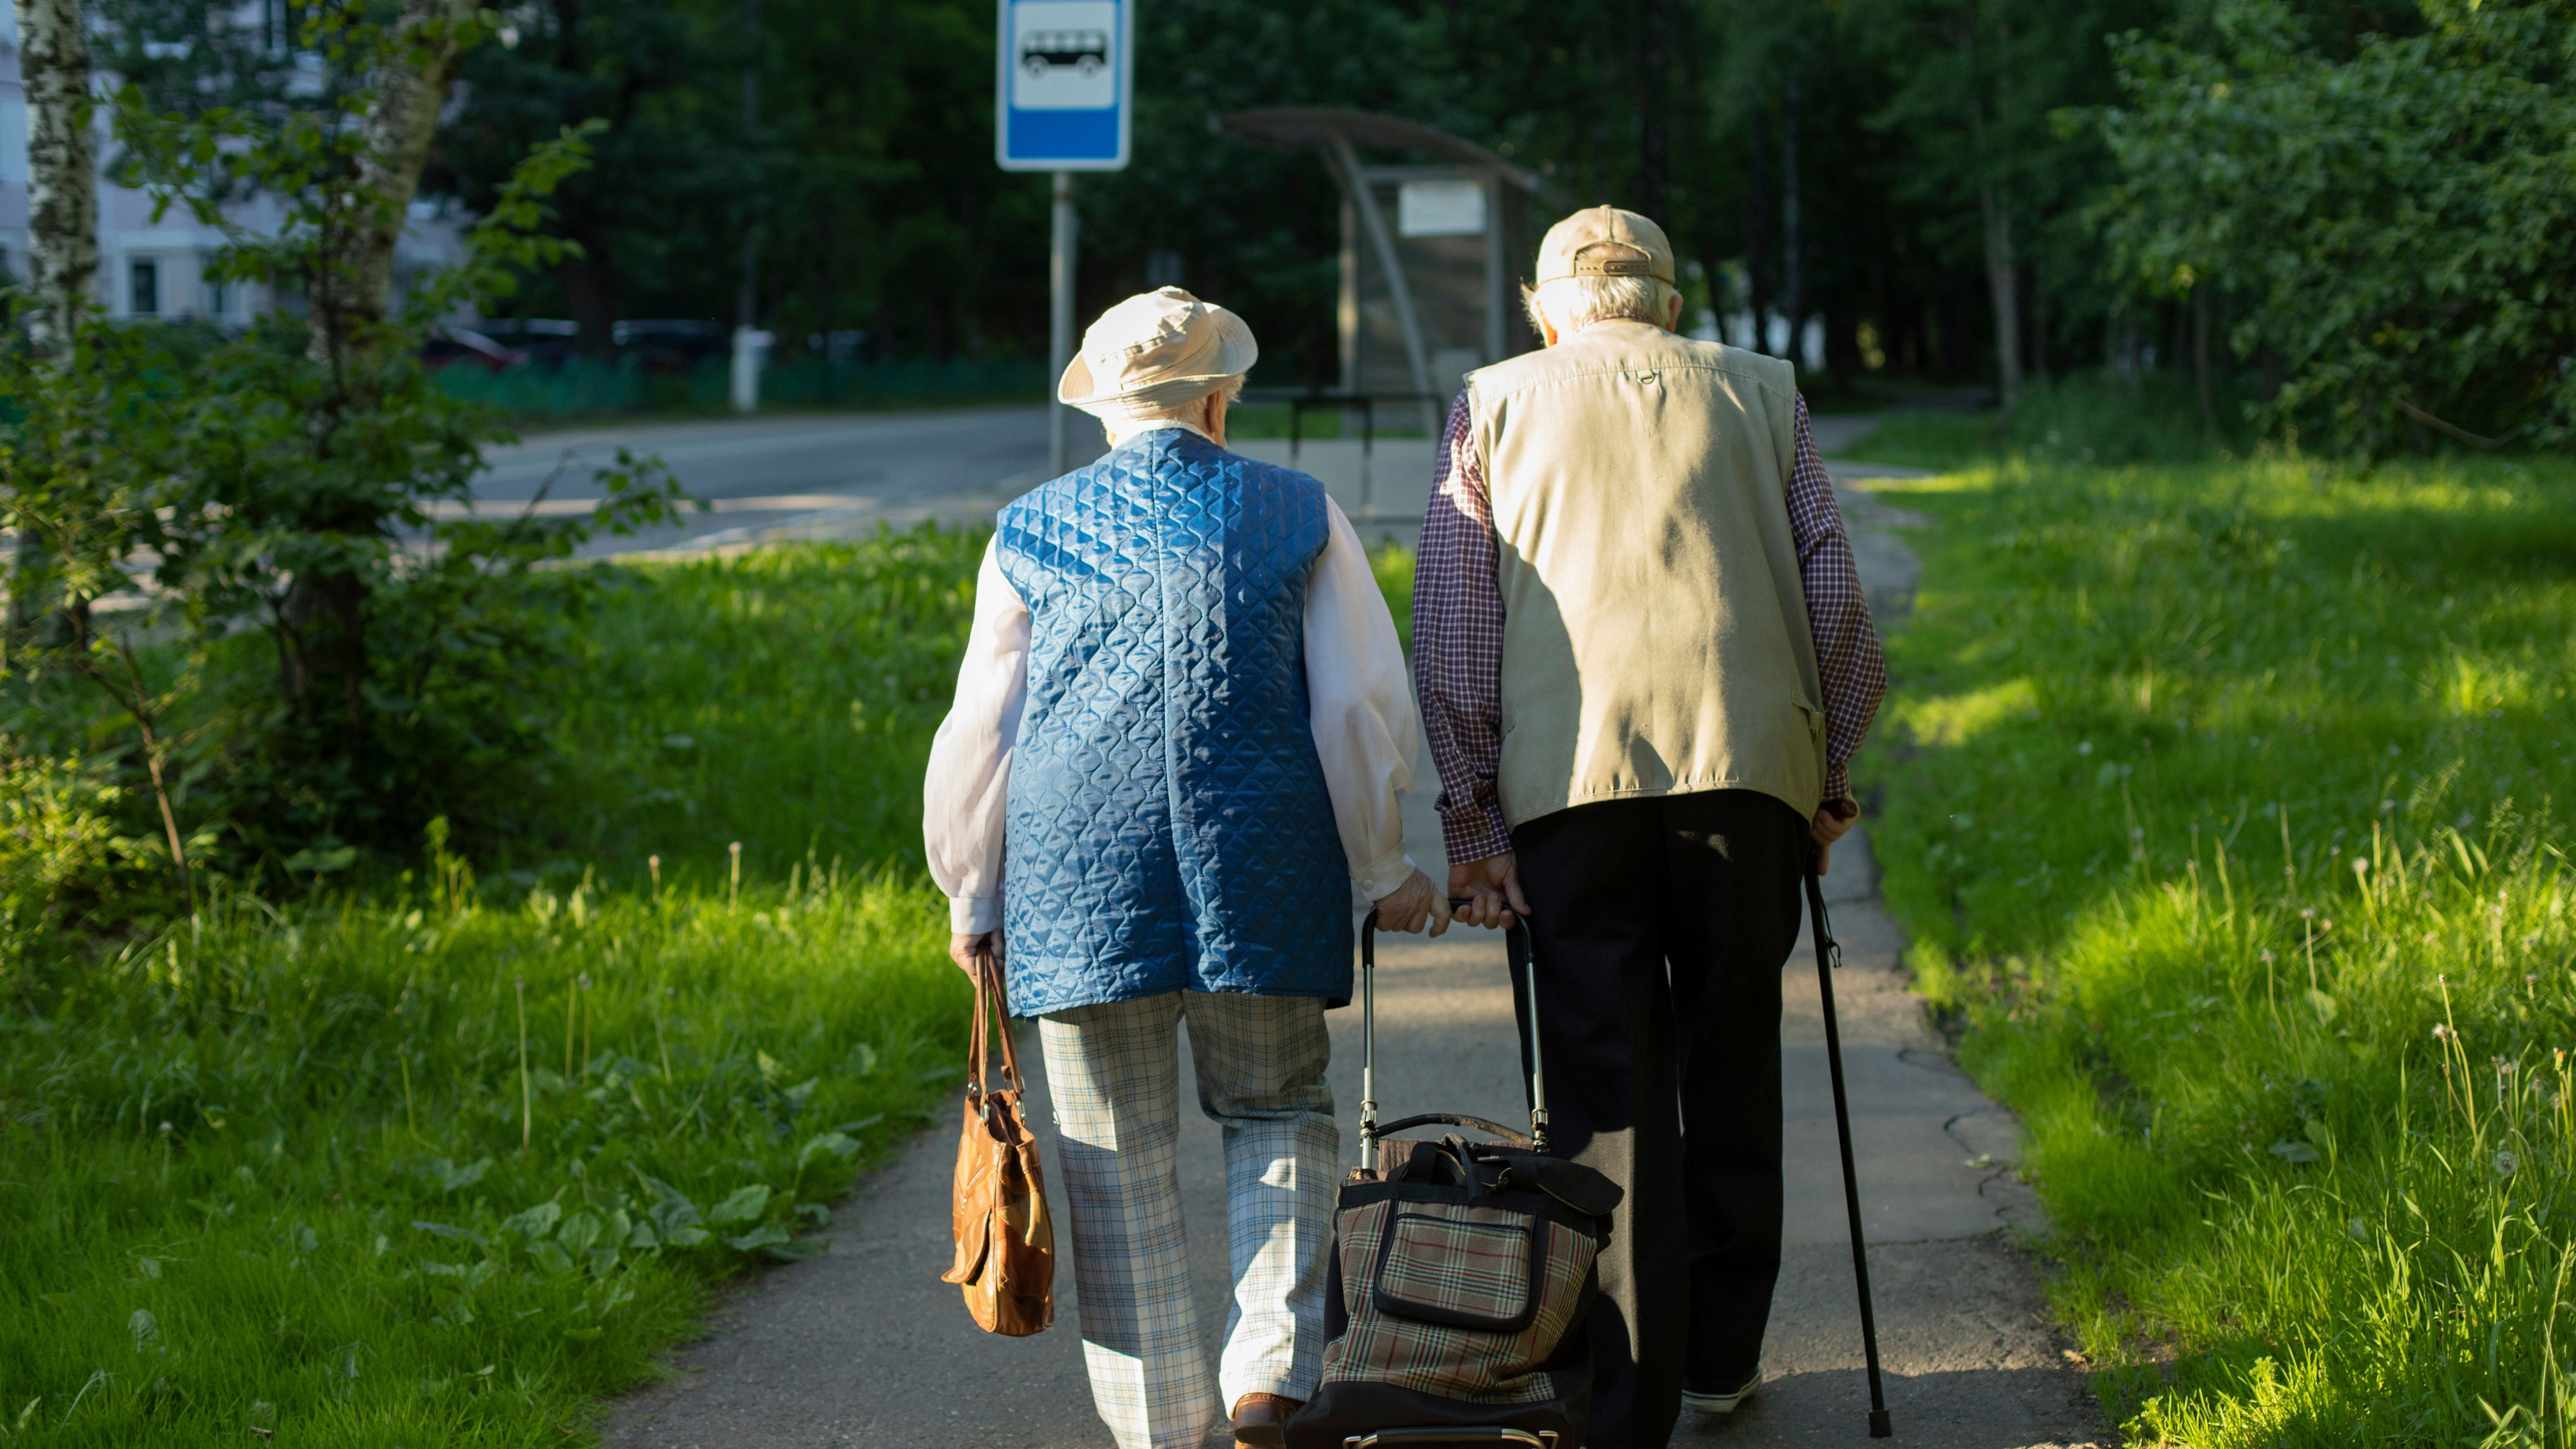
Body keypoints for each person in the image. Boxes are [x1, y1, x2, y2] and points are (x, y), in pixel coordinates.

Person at [923, 286, 1448, 1449]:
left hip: (1072, 873)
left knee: (1112, 1161)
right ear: (1221, 399)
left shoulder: (1029, 527)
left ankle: (1164, 1432)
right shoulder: (1295, 510)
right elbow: (1354, 705)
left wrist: (974, 887)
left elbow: (980, 730)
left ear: (1103, 408)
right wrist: (1382, 869)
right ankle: (1265, 1363)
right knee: (1276, 1108)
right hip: (1255, 865)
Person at [1413, 208, 1887, 1449]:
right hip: (1748, 777)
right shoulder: (1764, 391)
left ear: (1544, 307)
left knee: (1603, 1096)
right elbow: (1833, 593)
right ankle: (1720, 1362)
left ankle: (1622, 1402)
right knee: (1733, 1063)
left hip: (1570, 789)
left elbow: (1456, 622)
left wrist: (1472, 819)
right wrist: (1825, 775)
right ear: (1669, 304)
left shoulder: (1492, 401)